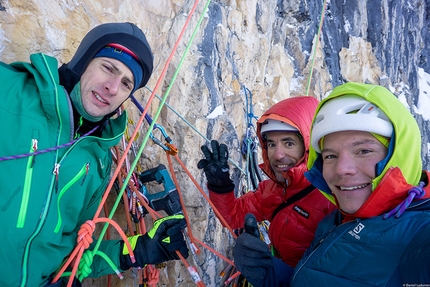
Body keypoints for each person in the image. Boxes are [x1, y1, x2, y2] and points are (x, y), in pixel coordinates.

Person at [0, 22, 188, 287]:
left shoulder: (98, 163)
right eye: (108, 68)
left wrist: (138, 249)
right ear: (83, 61)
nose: (112, 87)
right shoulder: (9, 92)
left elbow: (75, 255)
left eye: (126, 83)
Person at [234, 82, 430, 286]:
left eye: (364, 151)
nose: (341, 169)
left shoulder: (418, 236)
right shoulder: (335, 219)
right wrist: (267, 272)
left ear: (399, 155)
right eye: (330, 155)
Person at [197, 96, 336, 271]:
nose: (277, 154)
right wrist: (220, 185)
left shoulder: (333, 196)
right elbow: (233, 216)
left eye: (288, 143)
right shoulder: (273, 190)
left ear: (308, 146)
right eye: (271, 144)